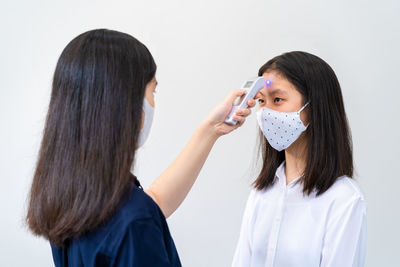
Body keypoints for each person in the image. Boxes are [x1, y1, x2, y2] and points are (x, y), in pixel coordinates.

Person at [26, 29, 255, 267]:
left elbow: (150, 204)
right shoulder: (133, 221)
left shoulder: (71, 195)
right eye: (152, 91)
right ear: (126, 103)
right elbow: (138, 218)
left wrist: (211, 129)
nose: (153, 103)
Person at [232, 51, 366, 267]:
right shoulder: (262, 192)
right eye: (260, 101)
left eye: (277, 99)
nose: (265, 112)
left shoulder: (343, 200)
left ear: (314, 107)